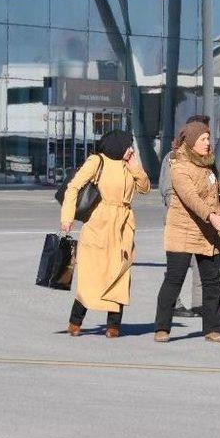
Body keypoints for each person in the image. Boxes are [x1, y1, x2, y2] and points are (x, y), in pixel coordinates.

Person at [61, 130, 151, 338]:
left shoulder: (128, 164)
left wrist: (135, 167)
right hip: (98, 222)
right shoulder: (97, 161)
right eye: (128, 144)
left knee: (120, 273)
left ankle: (113, 325)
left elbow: (145, 188)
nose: (130, 149)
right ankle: (75, 321)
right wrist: (67, 217)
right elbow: (73, 186)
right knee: (91, 275)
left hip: (123, 224)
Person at [154, 120, 220, 343]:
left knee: (212, 282)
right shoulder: (178, 164)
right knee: (174, 279)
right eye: (203, 139)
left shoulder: (209, 164)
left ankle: (213, 328)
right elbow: (190, 197)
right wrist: (211, 216)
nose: (208, 143)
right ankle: (162, 327)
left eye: (208, 138)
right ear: (191, 141)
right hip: (183, 230)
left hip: (209, 231)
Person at [158, 115, 210, 318]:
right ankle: (173, 303)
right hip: (179, 221)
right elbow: (167, 190)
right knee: (177, 267)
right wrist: (182, 211)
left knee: (201, 265)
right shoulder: (172, 157)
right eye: (202, 134)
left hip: (203, 221)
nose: (206, 140)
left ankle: (200, 304)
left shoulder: (206, 159)